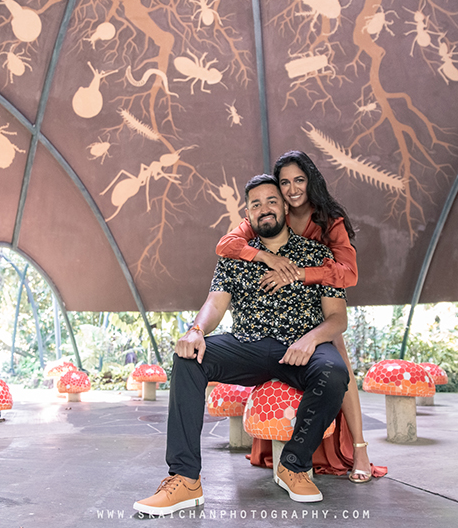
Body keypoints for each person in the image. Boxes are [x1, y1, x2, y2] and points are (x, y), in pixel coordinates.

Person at [134, 174, 350, 516]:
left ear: (285, 206)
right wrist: (196, 330)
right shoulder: (236, 256)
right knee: (189, 359)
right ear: (247, 214)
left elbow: (337, 318)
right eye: (256, 204)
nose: (264, 208)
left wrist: (311, 339)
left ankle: (293, 465)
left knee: (335, 372)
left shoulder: (316, 253)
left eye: (271, 201)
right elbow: (215, 304)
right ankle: (185, 479)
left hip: (300, 345)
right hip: (247, 343)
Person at [216, 150, 377, 483]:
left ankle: (360, 448)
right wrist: (265, 257)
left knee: (339, 362)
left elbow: (349, 274)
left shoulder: (329, 220)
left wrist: (299, 274)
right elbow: (227, 244)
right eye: (285, 182)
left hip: (322, 302)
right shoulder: (275, 212)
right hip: (282, 311)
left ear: (311, 180)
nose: (291, 189)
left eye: (299, 180)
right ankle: (283, 447)